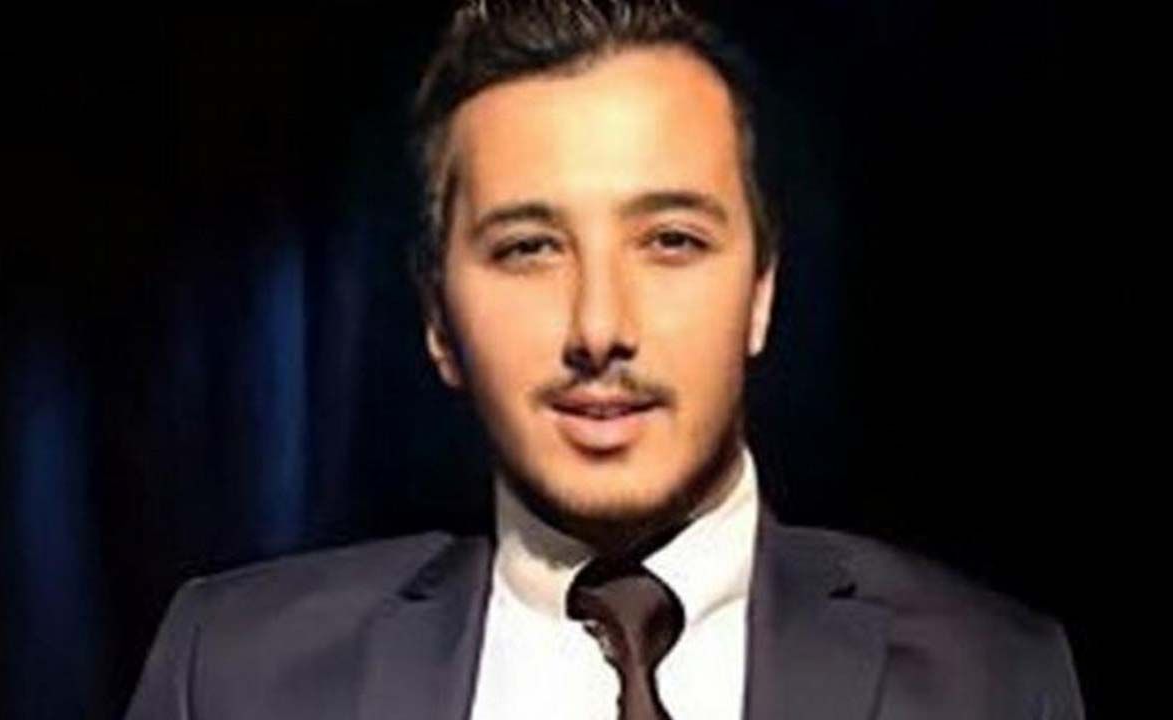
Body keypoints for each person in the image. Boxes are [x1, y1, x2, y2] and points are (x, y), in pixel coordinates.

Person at [125, 1, 1084, 718]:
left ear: (761, 292)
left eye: (670, 241)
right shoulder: (235, 674)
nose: (598, 326)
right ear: (436, 318)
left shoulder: (994, 679)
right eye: (528, 248)